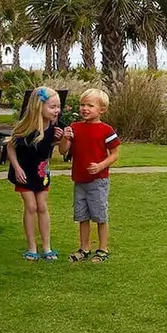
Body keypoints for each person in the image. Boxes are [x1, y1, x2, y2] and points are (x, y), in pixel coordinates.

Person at [61, 86, 120, 265]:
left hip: (98, 181)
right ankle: (84, 249)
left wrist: (100, 166)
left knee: (100, 216)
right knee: (82, 216)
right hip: (80, 180)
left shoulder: (106, 130)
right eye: (82, 104)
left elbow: (115, 154)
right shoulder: (74, 128)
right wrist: (65, 137)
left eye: (90, 105)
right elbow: (63, 151)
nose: (85, 108)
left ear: (102, 109)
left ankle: (102, 249)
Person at [6, 86, 65, 263]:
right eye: (52, 107)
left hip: (41, 172)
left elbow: (59, 149)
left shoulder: (55, 128)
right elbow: (10, 147)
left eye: (58, 106)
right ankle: (31, 247)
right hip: (24, 172)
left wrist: (60, 139)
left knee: (42, 206)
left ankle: (46, 247)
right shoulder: (25, 128)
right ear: (39, 107)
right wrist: (17, 168)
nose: (57, 111)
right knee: (31, 207)